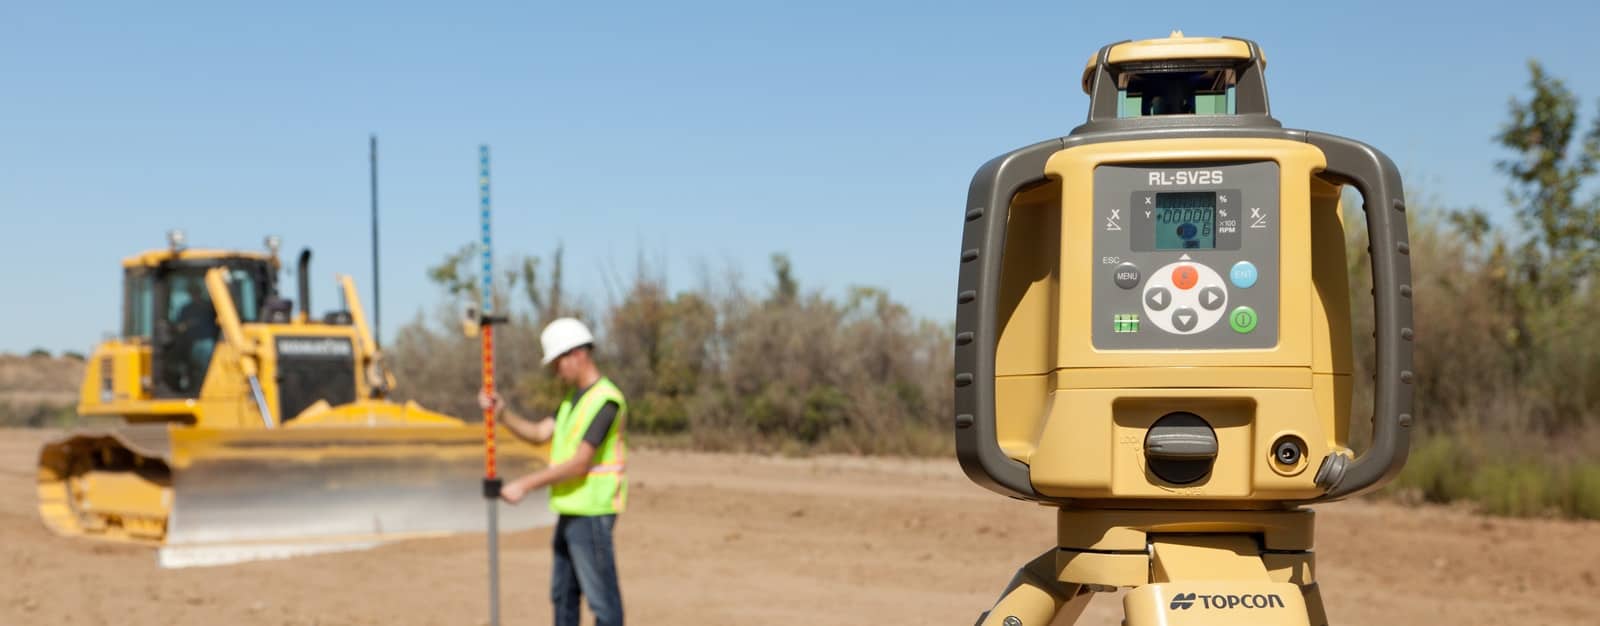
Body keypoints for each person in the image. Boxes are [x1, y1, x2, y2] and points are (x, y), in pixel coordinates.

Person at [479, 317, 628, 626]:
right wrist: (502, 413)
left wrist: (524, 485)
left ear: (578, 354)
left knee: (604, 605)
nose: (556, 371)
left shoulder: (606, 400)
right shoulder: (571, 401)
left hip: (592, 513)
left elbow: (581, 463)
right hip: (570, 511)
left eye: (558, 362)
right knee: (563, 597)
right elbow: (538, 433)